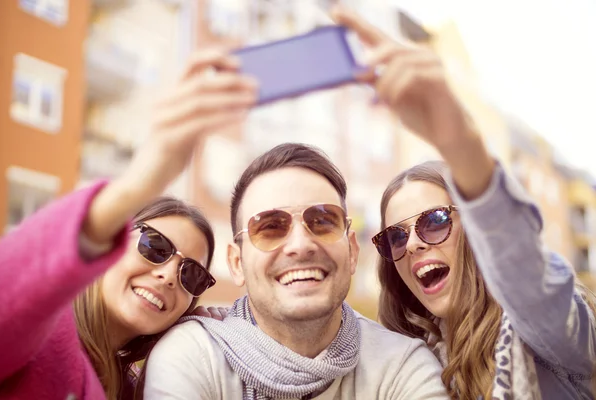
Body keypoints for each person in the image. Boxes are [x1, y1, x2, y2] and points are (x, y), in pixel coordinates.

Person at [329, 6, 596, 400]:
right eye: (396, 237)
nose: (414, 244)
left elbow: (524, 268)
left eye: (435, 221)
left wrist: (455, 135)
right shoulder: (407, 370)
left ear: (477, 230)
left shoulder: (550, 329)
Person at [0, 49, 258, 400]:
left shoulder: (140, 390)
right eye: (155, 246)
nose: (168, 276)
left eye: (191, 274)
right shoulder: (39, 336)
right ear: (112, 243)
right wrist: (140, 182)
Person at [143, 143, 449, 399]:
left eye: (323, 221)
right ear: (237, 263)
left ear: (353, 252)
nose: (301, 245)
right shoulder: (191, 357)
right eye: (270, 227)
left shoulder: (403, 366)